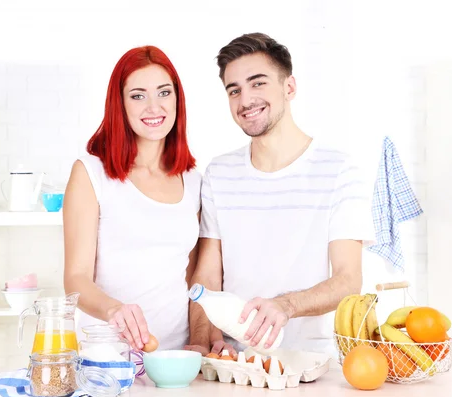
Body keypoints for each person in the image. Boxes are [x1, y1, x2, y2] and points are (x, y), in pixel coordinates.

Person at [185, 33, 375, 357]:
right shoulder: (219, 173)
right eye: (234, 90)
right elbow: (206, 278)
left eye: (258, 83)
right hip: (234, 364)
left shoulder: (339, 170)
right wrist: (201, 343)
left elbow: (348, 280)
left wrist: (285, 306)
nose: (245, 100)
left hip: (311, 365)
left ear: (289, 88)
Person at [63, 45, 201, 352]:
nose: (154, 107)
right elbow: (76, 278)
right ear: (120, 104)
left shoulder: (193, 181)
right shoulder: (91, 173)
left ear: (177, 99)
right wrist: (115, 310)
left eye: (164, 93)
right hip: (106, 355)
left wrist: (202, 341)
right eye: (138, 95)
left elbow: (191, 278)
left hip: (175, 357)